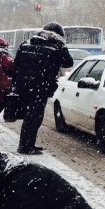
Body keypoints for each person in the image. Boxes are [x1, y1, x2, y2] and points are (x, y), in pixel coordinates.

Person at [13, 22, 73, 155]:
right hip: (41, 87)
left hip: (23, 86)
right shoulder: (56, 47)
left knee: (29, 116)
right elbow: (68, 62)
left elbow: (16, 65)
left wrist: (18, 82)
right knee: (34, 117)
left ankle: (26, 144)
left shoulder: (27, 43)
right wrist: (62, 46)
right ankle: (25, 146)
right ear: (59, 35)